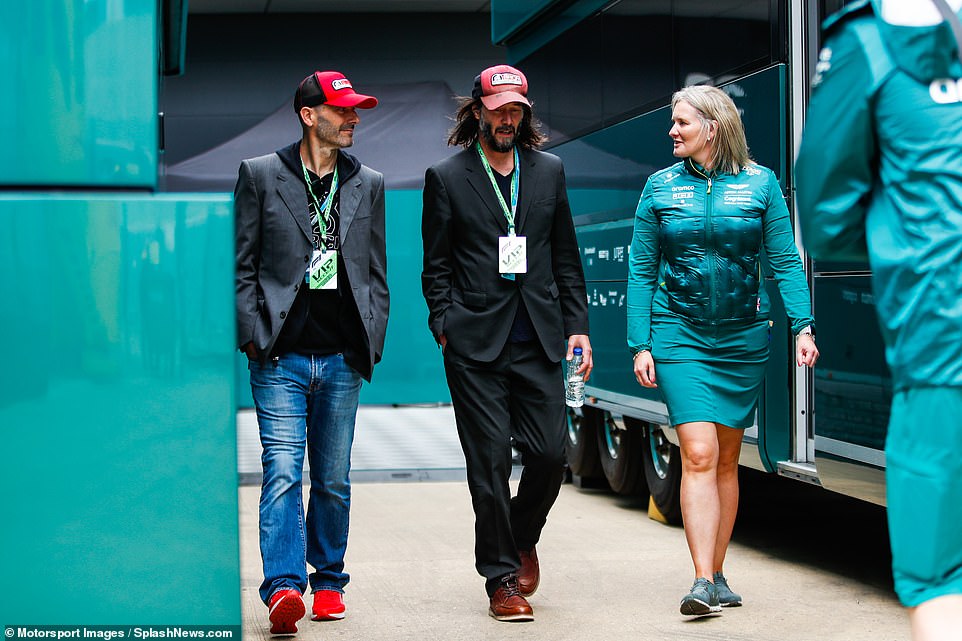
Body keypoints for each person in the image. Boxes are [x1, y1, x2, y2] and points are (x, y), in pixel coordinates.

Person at [795, 1, 962, 639]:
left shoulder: (870, 39)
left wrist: (907, 251)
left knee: (941, 576)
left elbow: (828, 217)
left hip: (943, 340)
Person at [628, 85, 819, 616]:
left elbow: (784, 261)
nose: (672, 131)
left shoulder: (761, 186)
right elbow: (642, 270)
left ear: (712, 127)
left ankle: (716, 571)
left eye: (682, 123)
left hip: (740, 338)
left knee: (730, 460)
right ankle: (699, 580)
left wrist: (803, 326)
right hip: (678, 334)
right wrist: (639, 342)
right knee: (700, 453)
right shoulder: (658, 188)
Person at [420, 64, 591, 622]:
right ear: (477, 112)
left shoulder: (549, 171)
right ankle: (501, 580)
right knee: (488, 463)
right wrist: (444, 323)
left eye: (516, 109)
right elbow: (436, 264)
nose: (508, 118)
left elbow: (565, 254)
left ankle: (521, 537)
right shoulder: (446, 177)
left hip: (539, 337)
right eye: (498, 110)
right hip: (474, 344)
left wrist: (578, 326)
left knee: (549, 456)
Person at [234, 70, 388, 635]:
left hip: (343, 356)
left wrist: (370, 335)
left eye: (356, 111)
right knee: (281, 471)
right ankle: (282, 590)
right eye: (342, 109)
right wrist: (252, 334)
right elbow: (243, 264)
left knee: (332, 477)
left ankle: (327, 582)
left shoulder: (366, 181)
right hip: (280, 356)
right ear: (307, 114)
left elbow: (375, 269)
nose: (353, 119)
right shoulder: (261, 175)